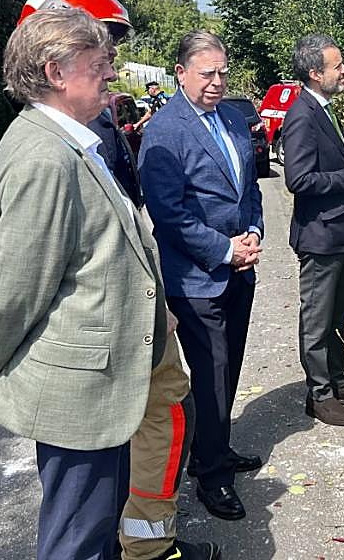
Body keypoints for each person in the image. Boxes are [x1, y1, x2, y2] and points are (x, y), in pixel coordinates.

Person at [0, 7, 219, 560]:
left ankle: (147, 549)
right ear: (55, 72)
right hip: (79, 390)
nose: (112, 74)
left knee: (97, 527)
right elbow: (16, 286)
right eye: (99, 64)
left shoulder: (69, 143)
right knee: (77, 540)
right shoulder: (45, 157)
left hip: (103, 379)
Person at [138, 31, 264, 522]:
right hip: (195, 278)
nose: (217, 81)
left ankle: (216, 446)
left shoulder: (232, 118)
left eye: (222, 72)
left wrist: (252, 232)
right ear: (181, 73)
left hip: (239, 269)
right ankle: (211, 476)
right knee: (210, 374)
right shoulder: (164, 131)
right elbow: (168, 214)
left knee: (228, 368)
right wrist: (224, 250)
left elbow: (249, 187)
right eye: (207, 73)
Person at [282, 34, 344, 427]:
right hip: (320, 237)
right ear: (314, 73)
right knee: (318, 319)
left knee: (338, 312)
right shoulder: (302, 116)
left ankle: (337, 379)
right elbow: (299, 180)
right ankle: (319, 395)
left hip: (339, 233)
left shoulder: (322, 108)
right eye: (337, 66)